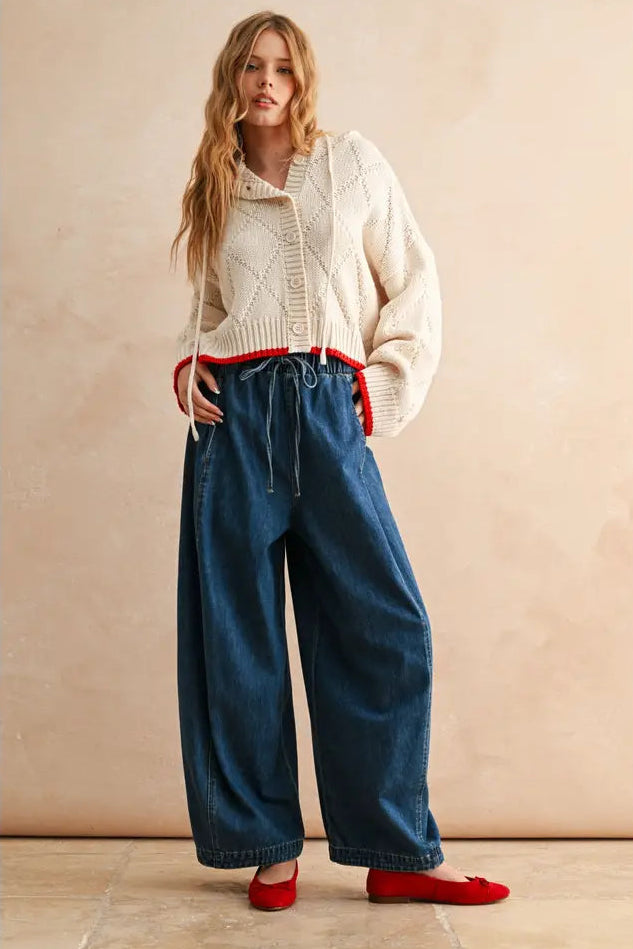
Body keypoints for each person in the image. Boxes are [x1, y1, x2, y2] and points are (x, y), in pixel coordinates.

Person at [170, 11, 510, 911]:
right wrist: (188, 363)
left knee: (385, 623)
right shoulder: (213, 183)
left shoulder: (352, 163)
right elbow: (206, 302)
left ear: (302, 76)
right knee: (235, 634)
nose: (266, 80)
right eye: (250, 65)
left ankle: (397, 848)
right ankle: (267, 844)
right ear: (231, 80)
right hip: (233, 417)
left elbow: (414, 280)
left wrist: (381, 388)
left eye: (281, 65)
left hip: (327, 405)